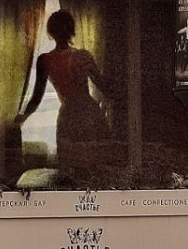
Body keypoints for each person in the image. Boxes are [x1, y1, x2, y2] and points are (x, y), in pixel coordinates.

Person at [13, 11, 116, 174]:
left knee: (74, 168)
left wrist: (23, 116)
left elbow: (37, 97)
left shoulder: (45, 60)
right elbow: (104, 87)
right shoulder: (83, 56)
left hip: (70, 116)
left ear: (51, 32)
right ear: (72, 31)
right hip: (89, 113)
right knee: (94, 167)